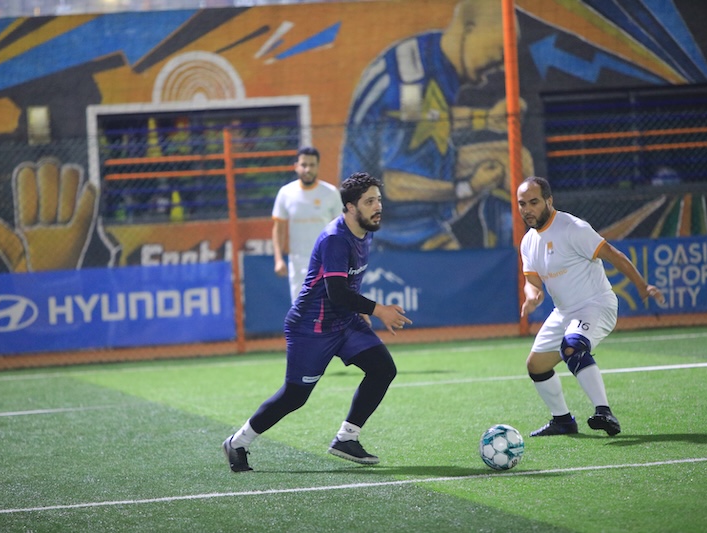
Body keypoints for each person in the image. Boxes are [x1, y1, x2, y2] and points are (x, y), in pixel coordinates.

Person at [224, 172, 413, 472]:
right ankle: (237, 442)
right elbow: (336, 292)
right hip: (311, 328)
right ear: (350, 207)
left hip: (344, 321)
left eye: (378, 200)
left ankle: (346, 438)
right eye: (369, 202)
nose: (377, 206)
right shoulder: (336, 239)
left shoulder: (366, 230)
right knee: (295, 396)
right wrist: (378, 309)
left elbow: (347, 283)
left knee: (382, 369)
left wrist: (359, 307)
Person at [340, 0, 533, 250]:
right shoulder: (410, 83)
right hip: (391, 221)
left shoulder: (432, 54)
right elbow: (396, 184)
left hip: (424, 174)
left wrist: (485, 119)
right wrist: (468, 187)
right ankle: (509, 263)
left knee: (512, 160)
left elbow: (428, 116)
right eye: (499, 50)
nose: (502, 64)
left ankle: (517, 256)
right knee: (457, 270)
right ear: (469, 28)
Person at [517, 176, 665, 437]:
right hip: (563, 312)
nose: (527, 209)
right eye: (522, 204)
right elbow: (532, 282)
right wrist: (532, 296)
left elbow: (613, 255)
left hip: (595, 305)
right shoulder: (528, 241)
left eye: (533, 202)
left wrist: (642, 286)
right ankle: (563, 421)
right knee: (536, 366)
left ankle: (604, 412)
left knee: (572, 346)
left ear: (549, 201)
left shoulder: (573, 228)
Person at [272, 146, 342, 301]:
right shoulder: (286, 193)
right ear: (296, 166)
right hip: (298, 262)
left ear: (318, 167)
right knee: (301, 308)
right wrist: (278, 259)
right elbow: (279, 228)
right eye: (304, 165)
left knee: (328, 307)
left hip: (326, 262)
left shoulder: (331, 193)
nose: (307, 169)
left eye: (312, 165)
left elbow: (341, 229)